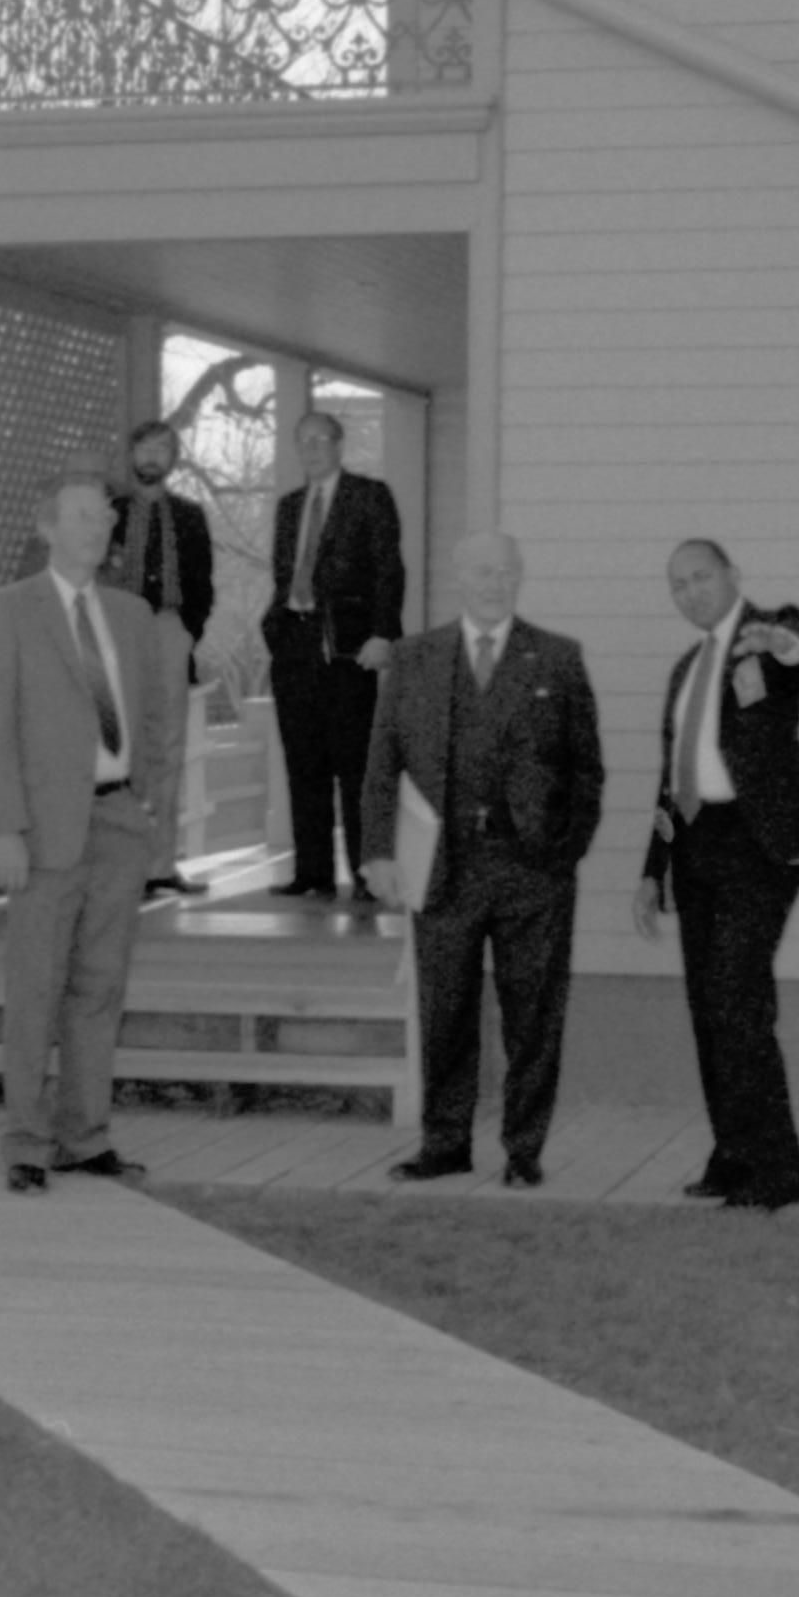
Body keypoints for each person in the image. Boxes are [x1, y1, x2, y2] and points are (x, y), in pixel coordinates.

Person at [362, 531, 603, 1188]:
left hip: (532, 870)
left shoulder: (556, 659)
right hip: (444, 865)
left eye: (504, 571)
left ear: (519, 578)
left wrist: (565, 853)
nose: (493, 582)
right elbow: (382, 767)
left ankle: (524, 1151)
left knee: (533, 1015)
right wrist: (378, 853)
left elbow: (587, 771)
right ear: (458, 580)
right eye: (480, 572)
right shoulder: (414, 659)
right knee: (445, 1010)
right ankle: (445, 1144)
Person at [0, 468, 172, 1195]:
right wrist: (6, 829)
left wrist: (150, 806)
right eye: (81, 517)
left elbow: (153, 724)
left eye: (104, 518)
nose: (97, 528)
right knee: (36, 988)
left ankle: (86, 1138)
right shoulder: (8, 610)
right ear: (47, 527)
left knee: (99, 988)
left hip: (118, 820)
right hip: (44, 830)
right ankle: (25, 1141)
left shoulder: (133, 615)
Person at [635, 538, 799, 1213]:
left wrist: (781, 640)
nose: (690, 592)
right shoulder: (686, 669)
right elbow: (672, 782)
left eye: (700, 577)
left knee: (737, 1004)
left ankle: (780, 1171)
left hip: (758, 848)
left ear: (732, 576)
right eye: (677, 585)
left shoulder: (766, 631)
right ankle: (733, 1155)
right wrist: (649, 871)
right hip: (695, 849)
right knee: (709, 1011)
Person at [263, 407, 403, 903]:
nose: (313, 448)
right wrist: (275, 630)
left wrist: (384, 633)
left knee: (354, 763)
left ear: (340, 446)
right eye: (304, 440)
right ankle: (313, 873)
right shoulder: (288, 507)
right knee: (304, 762)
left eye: (322, 439)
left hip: (347, 647)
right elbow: (284, 578)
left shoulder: (368, 497)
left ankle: (367, 874)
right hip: (294, 645)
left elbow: (389, 570)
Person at [107, 416, 216, 898]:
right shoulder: (111, 512)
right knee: (120, 746)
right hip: (118, 632)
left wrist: (188, 633)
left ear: (174, 460)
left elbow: (203, 585)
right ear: (131, 456)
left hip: (170, 627)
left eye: (162, 449)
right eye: (144, 448)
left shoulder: (190, 515)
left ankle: (160, 864)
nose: (152, 457)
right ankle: (120, 862)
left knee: (167, 749)